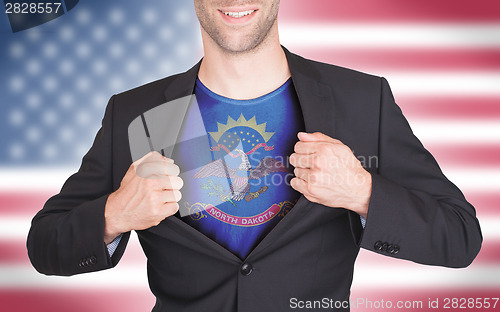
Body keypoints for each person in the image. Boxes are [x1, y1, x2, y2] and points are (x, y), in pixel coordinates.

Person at [27, 1, 482, 311]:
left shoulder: (361, 100)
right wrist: (114, 214)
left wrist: (363, 191)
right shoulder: (138, 113)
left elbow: (460, 236)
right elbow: (45, 246)